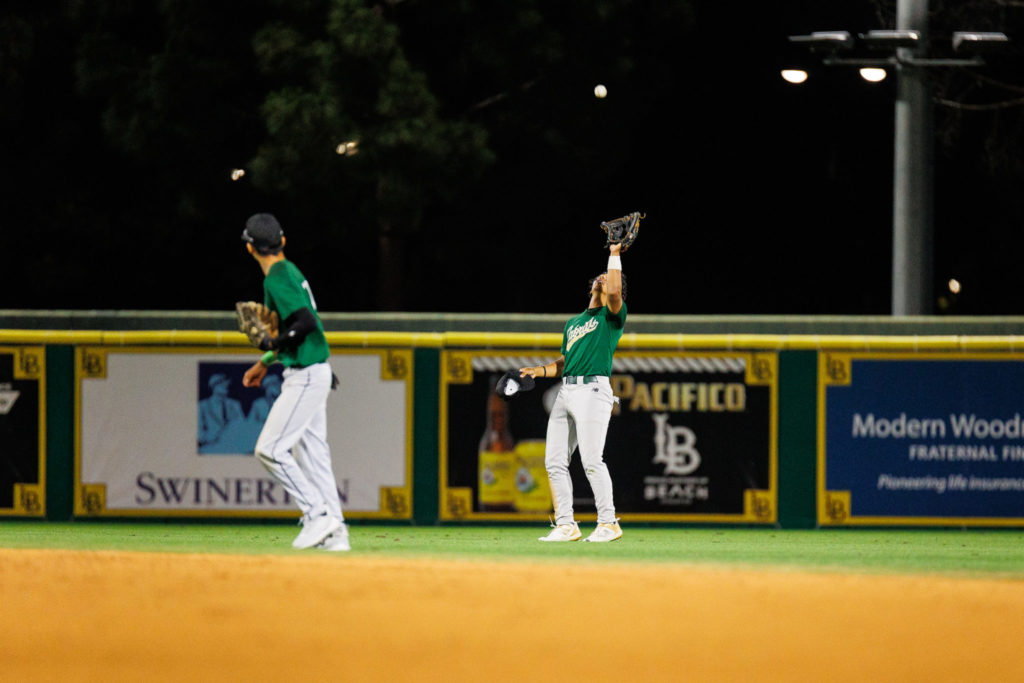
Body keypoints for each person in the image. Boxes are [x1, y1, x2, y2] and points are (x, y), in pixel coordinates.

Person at [239, 213, 349, 551]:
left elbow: (305, 322)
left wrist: (272, 345)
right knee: (314, 456)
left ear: (249, 248)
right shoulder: (290, 271)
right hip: (314, 369)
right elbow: (302, 326)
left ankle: (317, 515)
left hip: (306, 375)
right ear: (282, 241)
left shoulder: (276, 277)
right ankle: (336, 533)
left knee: (269, 449)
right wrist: (265, 361)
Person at [520, 242, 627, 543]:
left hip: (594, 389)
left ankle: (609, 522)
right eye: (600, 276)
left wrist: (614, 254)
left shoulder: (611, 318)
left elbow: (616, 293)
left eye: (607, 278)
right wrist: (539, 371)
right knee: (554, 460)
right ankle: (566, 524)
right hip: (566, 391)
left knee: (592, 459)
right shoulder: (574, 324)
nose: (602, 279)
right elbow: (566, 361)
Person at [197, 373, 246, 453]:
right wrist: (209, 437)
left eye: (226, 383)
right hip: (210, 447)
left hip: (232, 447)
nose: (226, 386)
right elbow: (198, 430)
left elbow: (242, 425)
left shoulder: (235, 404)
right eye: (221, 384)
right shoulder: (203, 405)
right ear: (213, 387)